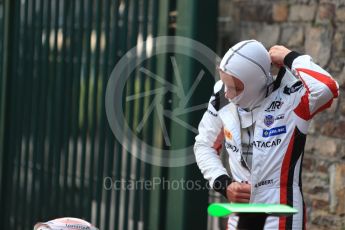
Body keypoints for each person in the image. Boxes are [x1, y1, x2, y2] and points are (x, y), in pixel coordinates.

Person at [194, 40, 339, 229]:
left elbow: (327, 87)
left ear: (255, 83)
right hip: (240, 211)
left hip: (281, 212)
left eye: (236, 88)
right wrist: (224, 184)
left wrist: (290, 57)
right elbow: (204, 144)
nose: (228, 94)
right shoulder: (221, 94)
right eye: (226, 85)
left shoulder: (292, 97)